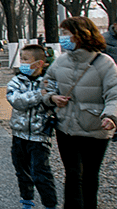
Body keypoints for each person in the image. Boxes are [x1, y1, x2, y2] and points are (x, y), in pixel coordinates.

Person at [43, 16, 117, 209]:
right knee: (73, 173)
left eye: (66, 33)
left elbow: (114, 94)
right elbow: (46, 84)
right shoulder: (61, 61)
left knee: (90, 175)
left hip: (95, 128)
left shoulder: (105, 63)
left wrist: (111, 116)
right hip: (65, 127)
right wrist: (51, 98)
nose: (62, 38)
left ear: (81, 35)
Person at [8, 44, 57, 209]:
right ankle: (27, 201)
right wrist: (37, 96)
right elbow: (15, 100)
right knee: (22, 171)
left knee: (41, 173)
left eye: (25, 59)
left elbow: (52, 101)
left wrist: (48, 97)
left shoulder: (49, 83)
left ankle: (50, 204)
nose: (22, 62)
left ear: (39, 63)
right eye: (21, 58)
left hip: (39, 136)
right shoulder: (17, 80)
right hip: (19, 135)